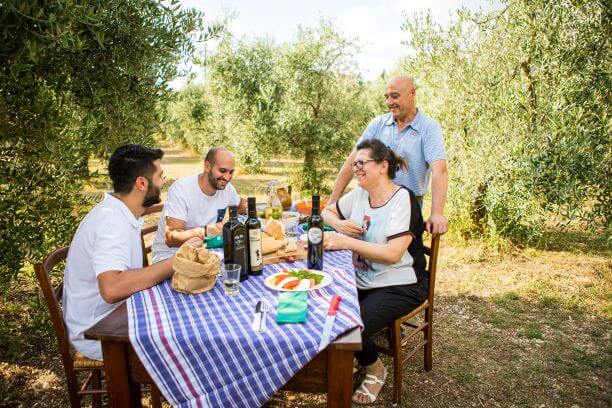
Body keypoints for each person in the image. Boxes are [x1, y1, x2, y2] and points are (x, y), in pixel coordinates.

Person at [322, 139, 427, 405]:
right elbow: (326, 212)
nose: (355, 168)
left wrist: (345, 241)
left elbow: (393, 255)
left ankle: (374, 367)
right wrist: (341, 225)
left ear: (382, 166)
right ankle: (352, 356)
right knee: (325, 309)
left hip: (402, 284)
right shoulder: (360, 194)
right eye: (354, 163)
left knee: (348, 326)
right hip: (364, 278)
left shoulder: (403, 199)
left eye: (361, 163)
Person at [63, 145, 190, 360]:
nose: (163, 181)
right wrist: (176, 261)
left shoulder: (119, 212)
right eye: (160, 176)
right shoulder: (111, 221)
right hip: (99, 332)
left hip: (116, 315)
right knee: (187, 340)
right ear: (142, 183)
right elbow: (112, 288)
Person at [329, 75, 449, 235]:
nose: (389, 102)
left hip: (406, 206)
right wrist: (333, 201)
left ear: (412, 94)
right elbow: (352, 160)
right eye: (387, 97)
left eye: (395, 96)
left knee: (387, 254)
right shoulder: (378, 124)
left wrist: (437, 213)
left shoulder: (428, 128)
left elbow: (439, 171)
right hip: (371, 203)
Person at [152, 147, 246, 263]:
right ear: (207, 166)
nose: (227, 177)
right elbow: (171, 238)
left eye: (231, 172)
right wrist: (209, 230)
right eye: (222, 171)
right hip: (171, 258)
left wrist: (248, 207)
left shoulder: (227, 189)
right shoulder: (182, 189)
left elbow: (240, 205)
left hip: (203, 253)